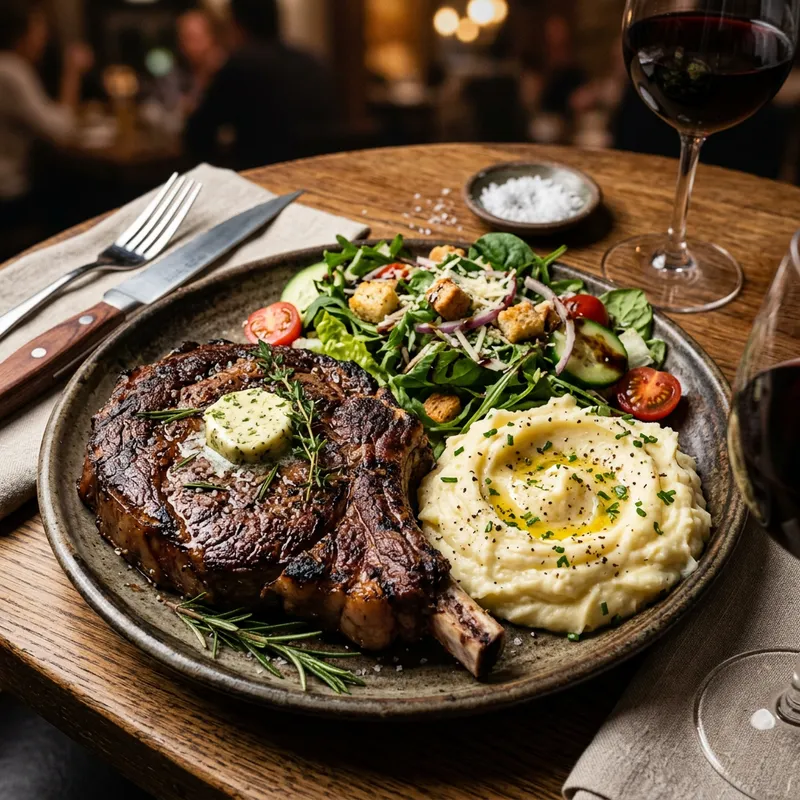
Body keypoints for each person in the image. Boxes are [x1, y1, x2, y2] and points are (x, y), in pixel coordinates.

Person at [184, 0, 335, 169]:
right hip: (317, 170)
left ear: (237, 24)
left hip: (263, 174)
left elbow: (197, 134)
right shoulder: (311, 62)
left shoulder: (240, 66)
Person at [0, 0, 92, 225]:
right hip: (10, 193)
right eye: (38, 31)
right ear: (20, 34)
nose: (44, 39)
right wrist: (72, 72)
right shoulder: (11, 71)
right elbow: (60, 131)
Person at [176, 9, 226, 115]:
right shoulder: (183, 72)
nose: (186, 45)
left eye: (193, 38)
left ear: (210, 38)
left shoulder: (222, 70)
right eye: (183, 38)